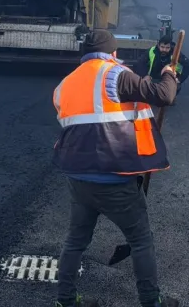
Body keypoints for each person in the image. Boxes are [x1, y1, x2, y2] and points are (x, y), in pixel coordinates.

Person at [53, 30, 181, 307]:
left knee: (75, 240)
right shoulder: (115, 74)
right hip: (114, 179)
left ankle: (65, 300)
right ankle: (151, 301)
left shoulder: (65, 84)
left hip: (78, 177)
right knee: (140, 240)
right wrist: (169, 72)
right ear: (112, 53)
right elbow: (165, 95)